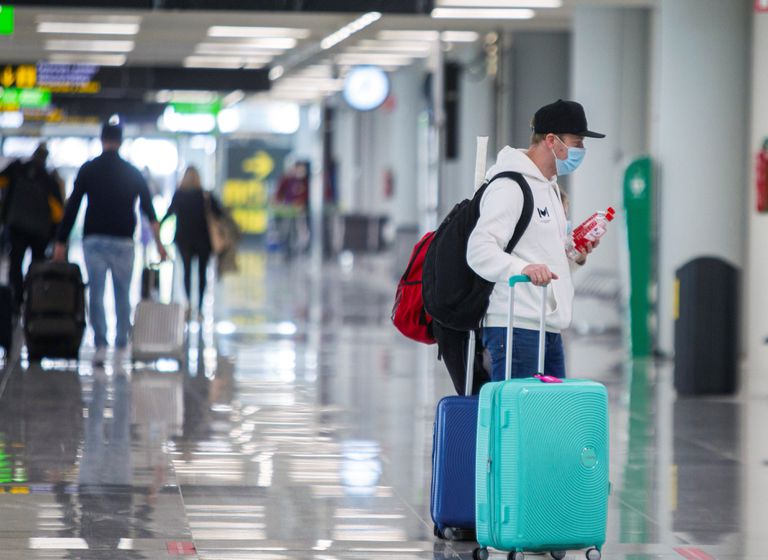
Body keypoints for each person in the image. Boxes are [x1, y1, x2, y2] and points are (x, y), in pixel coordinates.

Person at [467, 99, 605, 381]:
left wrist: (575, 254)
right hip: (515, 327)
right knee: (522, 420)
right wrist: (521, 269)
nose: (581, 150)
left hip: (548, 326)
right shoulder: (510, 186)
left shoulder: (550, 188)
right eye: (576, 142)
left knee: (547, 421)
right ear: (552, 141)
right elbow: (478, 250)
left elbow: (542, 256)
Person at [53, 119, 168, 364]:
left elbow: (72, 206)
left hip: (94, 239)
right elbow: (149, 212)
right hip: (124, 242)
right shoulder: (132, 171)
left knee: (96, 292)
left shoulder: (88, 169)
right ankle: (122, 343)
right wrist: (159, 244)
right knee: (122, 293)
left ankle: (101, 344)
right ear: (121, 141)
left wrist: (61, 241)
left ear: (102, 140)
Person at [0, 143, 64, 312]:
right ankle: (34, 299)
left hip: (16, 228)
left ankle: (17, 299)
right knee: (37, 265)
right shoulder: (49, 179)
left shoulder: (17, 169)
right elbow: (58, 212)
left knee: (15, 264)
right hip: (40, 232)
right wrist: (57, 237)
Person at [161, 166, 223, 320]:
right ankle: (200, 308)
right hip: (204, 241)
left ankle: (188, 303)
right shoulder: (205, 196)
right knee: (202, 274)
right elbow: (219, 213)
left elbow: (169, 213)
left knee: (187, 272)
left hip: (184, 240)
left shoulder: (179, 195)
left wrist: (157, 227)